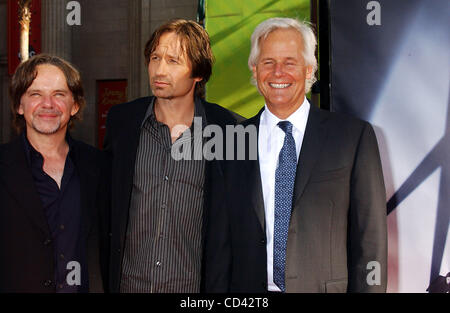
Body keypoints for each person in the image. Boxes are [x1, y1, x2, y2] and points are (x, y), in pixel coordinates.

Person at [203, 17, 387, 293]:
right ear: (255, 70)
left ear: (309, 69)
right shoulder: (231, 143)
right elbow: (219, 246)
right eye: (268, 62)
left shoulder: (352, 138)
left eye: (290, 62)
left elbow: (370, 241)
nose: (278, 73)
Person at [103, 19, 241, 293]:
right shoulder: (122, 121)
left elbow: (235, 224)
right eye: (155, 58)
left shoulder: (229, 130)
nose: (160, 70)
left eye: (173, 61)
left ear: (198, 72)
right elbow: (106, 208)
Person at [0, 54, 104, 292]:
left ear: (75, 105)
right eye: (35, 94)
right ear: (19, 104)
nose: (48, 104)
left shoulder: (99, 166)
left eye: (59, 94)